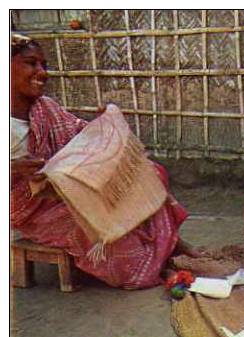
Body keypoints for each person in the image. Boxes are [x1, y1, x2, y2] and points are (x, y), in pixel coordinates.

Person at [10, 34, 201, 290]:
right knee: (98, 228)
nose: (42, 73)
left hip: (65, 190)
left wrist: (103, 125)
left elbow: (79, 134)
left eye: (44, 65)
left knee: (150, 172)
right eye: (31, 63)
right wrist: (13, 168)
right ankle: (149, 264)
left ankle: (170, 245)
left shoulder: (45, 108)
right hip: (34, 209)